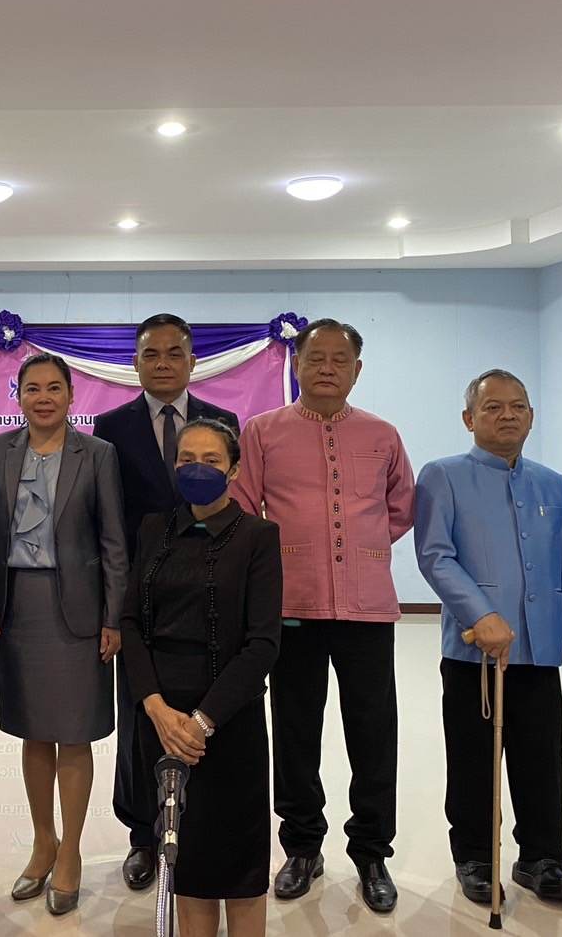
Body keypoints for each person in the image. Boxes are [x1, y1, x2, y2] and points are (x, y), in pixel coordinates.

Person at [232, 318, 415, 913]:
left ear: (357, 370)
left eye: (341, 360)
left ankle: (372, 852)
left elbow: (400, 507)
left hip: (367, 607)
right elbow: (244, 507)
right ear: (297, 365)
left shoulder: (382, 435)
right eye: (317, 358)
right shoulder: (263, 432)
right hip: (292, 604)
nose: (328, 368)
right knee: (294, 729)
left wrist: (361, 549)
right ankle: (302, 846)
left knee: (373, 732)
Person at [414, 369, 562, 907]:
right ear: (469, 418)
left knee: (541, 758)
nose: (507, 415)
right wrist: (482, 613)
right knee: (473, 760)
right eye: (492, 407)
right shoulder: (443, 476)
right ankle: (475, 856)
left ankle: (542, 858)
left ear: (531, 416)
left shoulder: (551, 483)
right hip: (473, 651)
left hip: (539, 648)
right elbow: (435, 556)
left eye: (517, 406)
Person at [0, 353, 128, 916]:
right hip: (19, 609)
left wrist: (114, 616)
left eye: (54, 388)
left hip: (80, 612)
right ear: (17, 396)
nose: (43, 398)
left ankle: (72, 852)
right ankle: (43, 843)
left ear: (70, 395)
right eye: (32, 388)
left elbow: (113, 539)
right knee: (34, 732)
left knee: (74, 734)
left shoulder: (98, 454)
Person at [92, 313, 239, 891]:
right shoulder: (110, 427)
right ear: (135, 363)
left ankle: (199, 825)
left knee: (204, 707)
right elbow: (107, 518)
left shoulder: (222, 422)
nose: (162, 363)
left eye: (174, 353)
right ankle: (142, 836)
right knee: (141, 716)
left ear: (192, 361)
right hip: (141, 594)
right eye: (150, 354)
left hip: (208, 588)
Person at [120, 418, 280, 937]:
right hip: (161, 720)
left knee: (237, 861)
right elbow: (130, 623)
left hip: (227, 721)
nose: (197, 469)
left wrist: (201, 723)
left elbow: (263, 643)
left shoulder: (258, 537)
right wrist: (154, 707)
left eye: (211, 460)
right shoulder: (153, 529)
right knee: (184, 859)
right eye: (187, 459)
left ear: (234, 470)